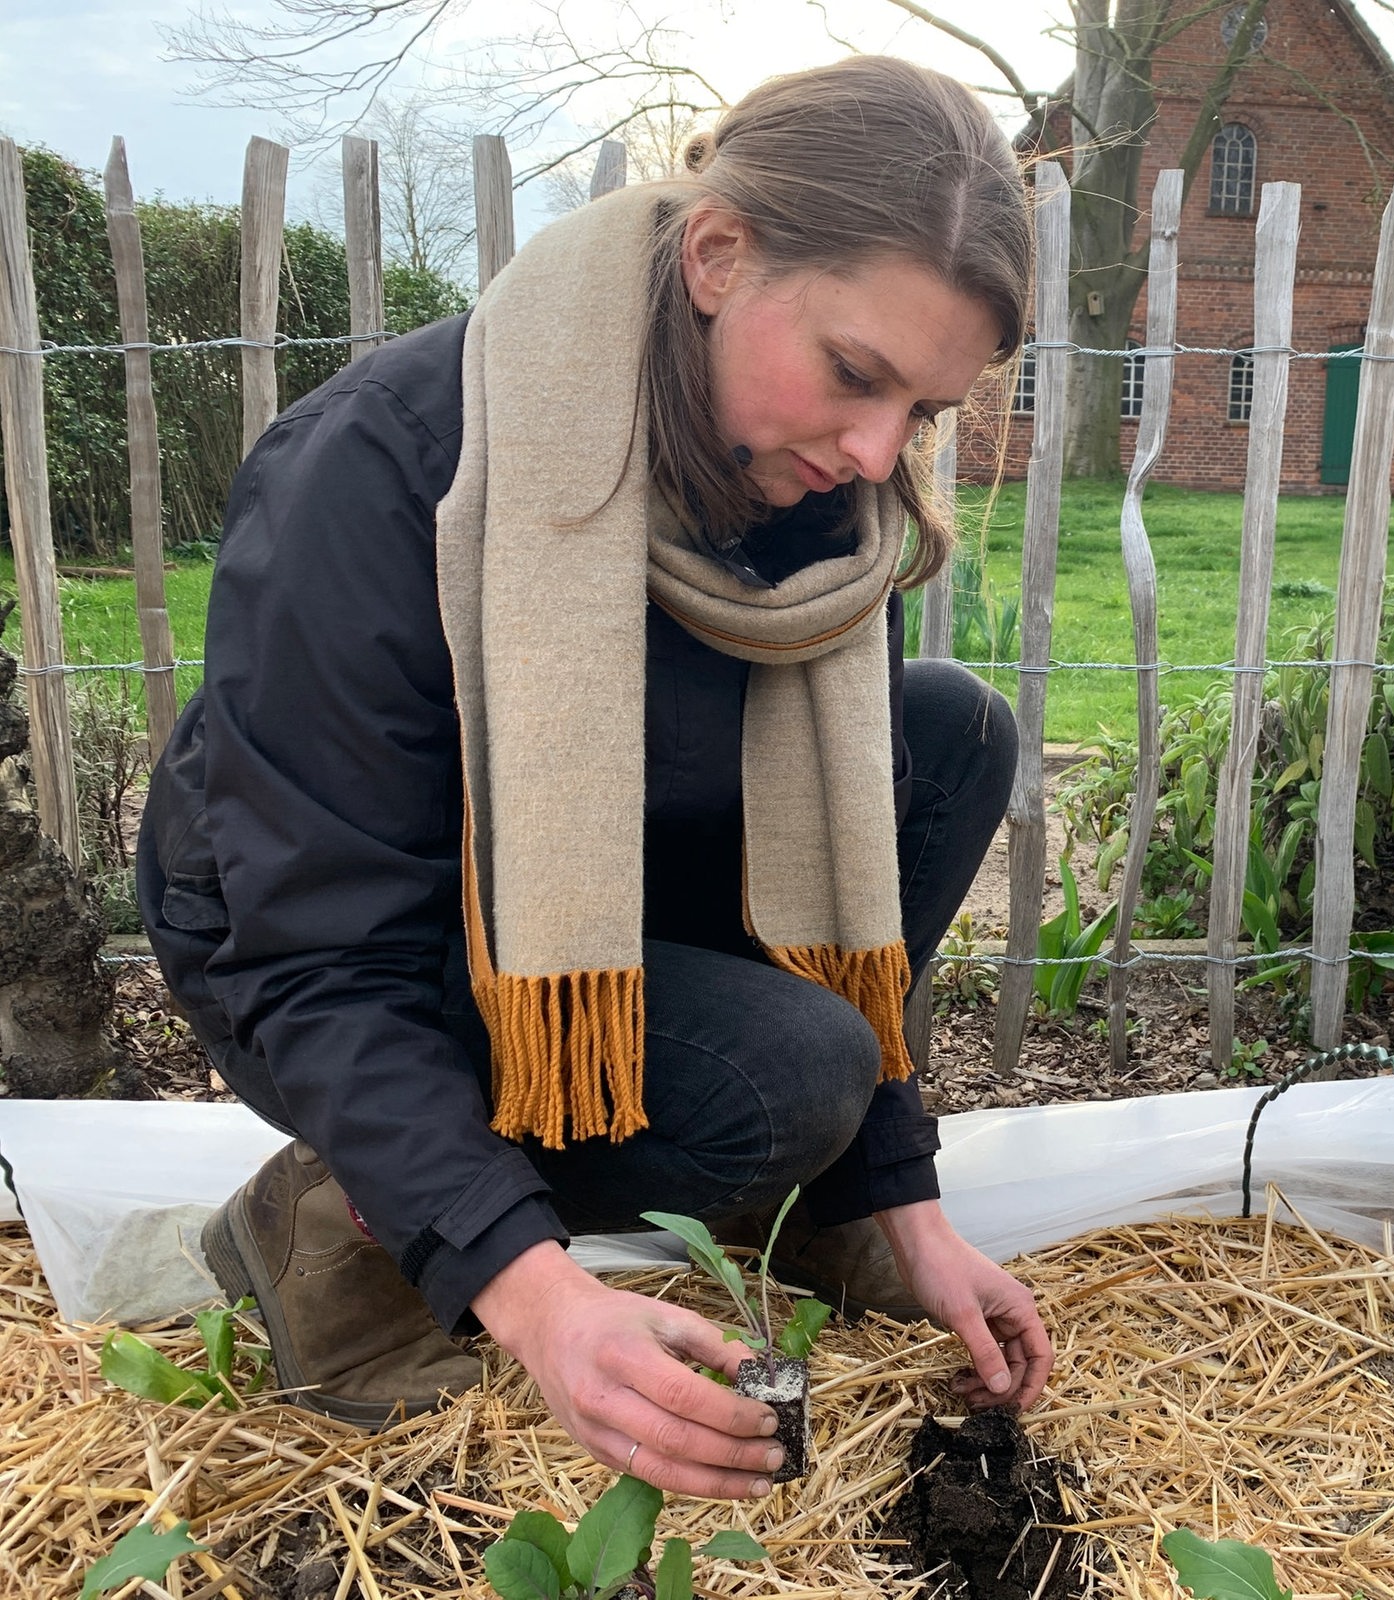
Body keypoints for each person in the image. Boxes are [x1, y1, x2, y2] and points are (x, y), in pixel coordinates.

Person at [138, 53, 1053, 1501]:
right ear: (717, 255)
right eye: (855, 376)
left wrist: (901, 1199)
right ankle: (342, 1223)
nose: (879, 450)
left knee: (950, 738)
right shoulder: (391, 465)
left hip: (600, 884)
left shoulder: (818, 495)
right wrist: (533, 1289)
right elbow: (311, 950)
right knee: (788, 1077)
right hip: (326, 941)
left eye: (923, 414)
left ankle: (800, 1203)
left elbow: (850, 868)